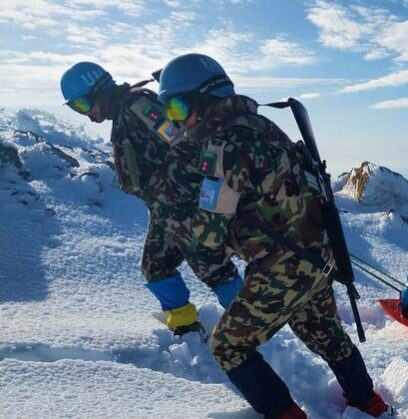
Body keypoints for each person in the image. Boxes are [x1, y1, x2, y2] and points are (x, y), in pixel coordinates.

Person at [156, 53, 390, 418]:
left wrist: (175, 216)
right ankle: (369, 404)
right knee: (325, 334)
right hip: (318, 257)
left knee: (229, 347)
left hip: (282, 268)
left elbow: (208, 233)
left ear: (200, 101)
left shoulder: (224, 145)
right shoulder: (264, 127)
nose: (177, 121)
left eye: (176, 109)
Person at [59, 62, 242, 335]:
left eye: (84, 105)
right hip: (164, 210)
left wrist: (198, 196)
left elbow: (191, 143)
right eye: (76, 109)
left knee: (213, 269)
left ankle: (251, 328)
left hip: (186, 206)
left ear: (99, 91)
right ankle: (186, 327)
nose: (86, 114)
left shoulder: (139, 108)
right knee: (155, 266)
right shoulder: (123, 114)